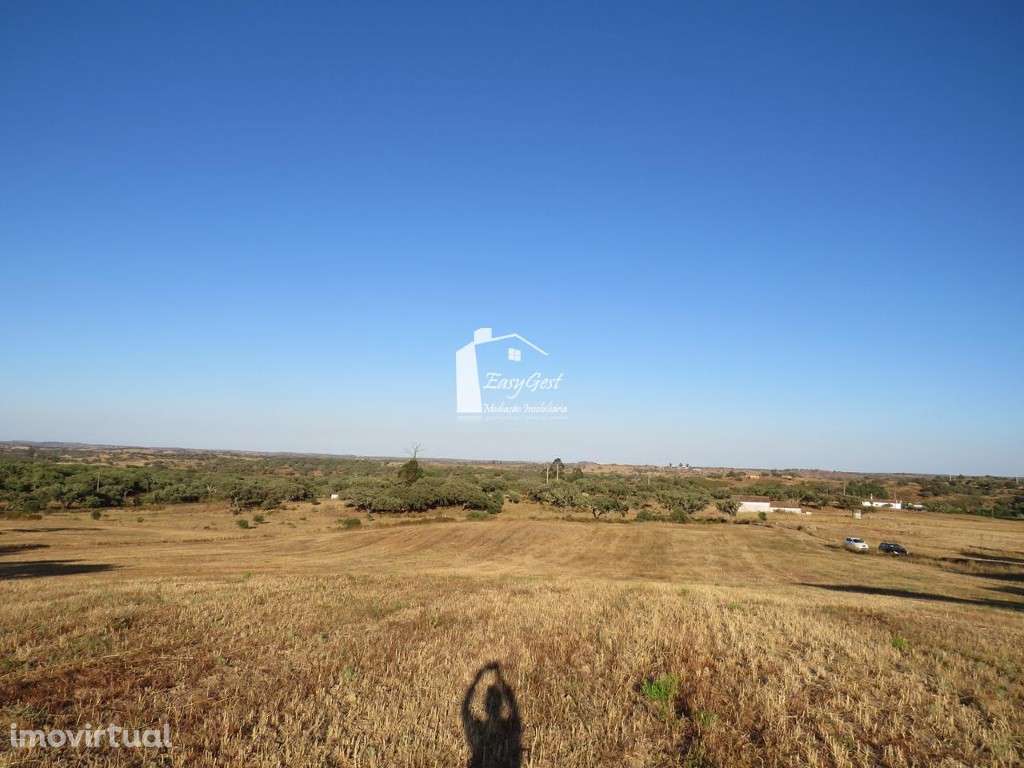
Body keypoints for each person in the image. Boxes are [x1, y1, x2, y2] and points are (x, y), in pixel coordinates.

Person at [461, 662, 522, 768]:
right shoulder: (508, 731)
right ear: (502, 705)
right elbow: (514, 708)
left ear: (485, 706)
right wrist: (500, 678)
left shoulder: (479, 732)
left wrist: (477, 679)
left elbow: (465, 709)